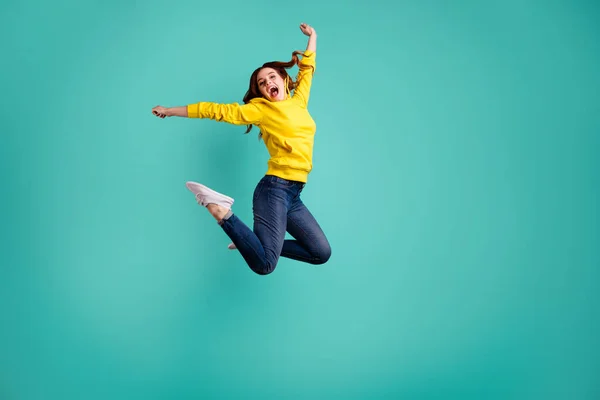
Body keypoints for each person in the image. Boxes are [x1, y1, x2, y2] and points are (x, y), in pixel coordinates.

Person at [151, 23, 331, 275]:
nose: (268, 82)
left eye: (272, 77)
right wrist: (170, 111)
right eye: (261, 82)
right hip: (275, 190)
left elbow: (308, 68)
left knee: (320, 253)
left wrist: (313, 36)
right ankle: (221, 211)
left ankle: (251, 243)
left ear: (283, 79)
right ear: (260, 92)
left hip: (294, 194)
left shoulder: (299, 100)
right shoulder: (260, 110)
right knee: (265, 265)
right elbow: (214, 110)